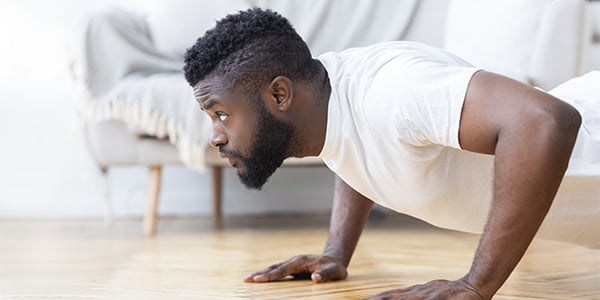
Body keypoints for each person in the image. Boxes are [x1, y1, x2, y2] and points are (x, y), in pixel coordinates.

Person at [183, 8, 599, 300]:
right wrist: (336, 251)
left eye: (221, 113)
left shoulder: (391, 89)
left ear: (279, 94)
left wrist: (477, 284)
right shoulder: (327, 101)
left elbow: (545, 122)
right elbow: (354, 144)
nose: (215, 137)